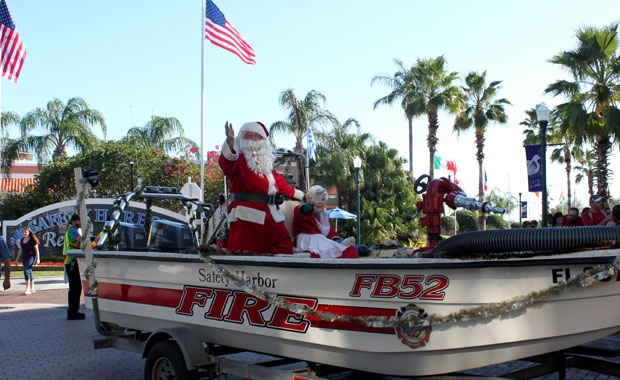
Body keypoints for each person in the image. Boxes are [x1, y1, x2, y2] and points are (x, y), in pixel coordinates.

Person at [219, 121, 304, 254]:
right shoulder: (239, 161)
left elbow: (281, 185)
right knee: (250, 257)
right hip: (248, 220)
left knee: (285, 249)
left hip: (273, 217)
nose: (253, 138)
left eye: (257, 135)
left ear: (263, 140)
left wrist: (302, 195)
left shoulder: (267, 167)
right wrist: (230, 142)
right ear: (241, 139)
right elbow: (227, 163)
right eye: (248, 135)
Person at [293, 185, 358, 259]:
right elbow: (304, 209)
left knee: (351, 249)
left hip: (322, 242)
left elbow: (330, 234)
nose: (320, 202)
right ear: (309, 200)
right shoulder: (301, 211)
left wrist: (341, 241)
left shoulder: (324, 216)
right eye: (317, 199)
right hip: (308, 244)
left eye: (322, 199)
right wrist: (312, 203)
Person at [63, 214, 85, 320]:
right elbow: (80, 240)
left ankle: (73, 311)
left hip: (71, 261)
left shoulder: (71, 230)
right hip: (72, 261)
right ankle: (72, 312)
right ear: (73, 221)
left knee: (75, 287)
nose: (80, 223)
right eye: (79, 220)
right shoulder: (72, 230)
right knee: (75, 287)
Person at [14, 227, 40, 294]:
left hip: (31, 257)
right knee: (29, 271)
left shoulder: (32, 240)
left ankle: (27, 288)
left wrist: (38, 259)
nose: (24, 233)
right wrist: (16, 259)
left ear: (29, 232)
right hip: (24, 257)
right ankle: (32, 287)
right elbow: (20, 249)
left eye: (25, 232)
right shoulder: (22, 239)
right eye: (23, 232)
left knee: (26, 271)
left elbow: (36, 250)